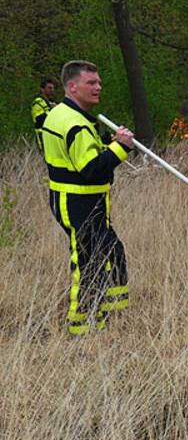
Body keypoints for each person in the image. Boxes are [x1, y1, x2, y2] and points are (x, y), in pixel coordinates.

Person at [37, 61, 135, 335]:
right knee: (89, 264)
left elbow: (79, 155)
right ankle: (82, 328)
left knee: (111, 253)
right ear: (72, 86)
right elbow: (91, 169)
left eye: (99, 82)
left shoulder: (61, 113)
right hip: (79, 203)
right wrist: (120, 148)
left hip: (77, 201)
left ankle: (108, 319)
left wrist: (108, 142)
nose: (98, 87)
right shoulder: (75, 123)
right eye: (91, 83)